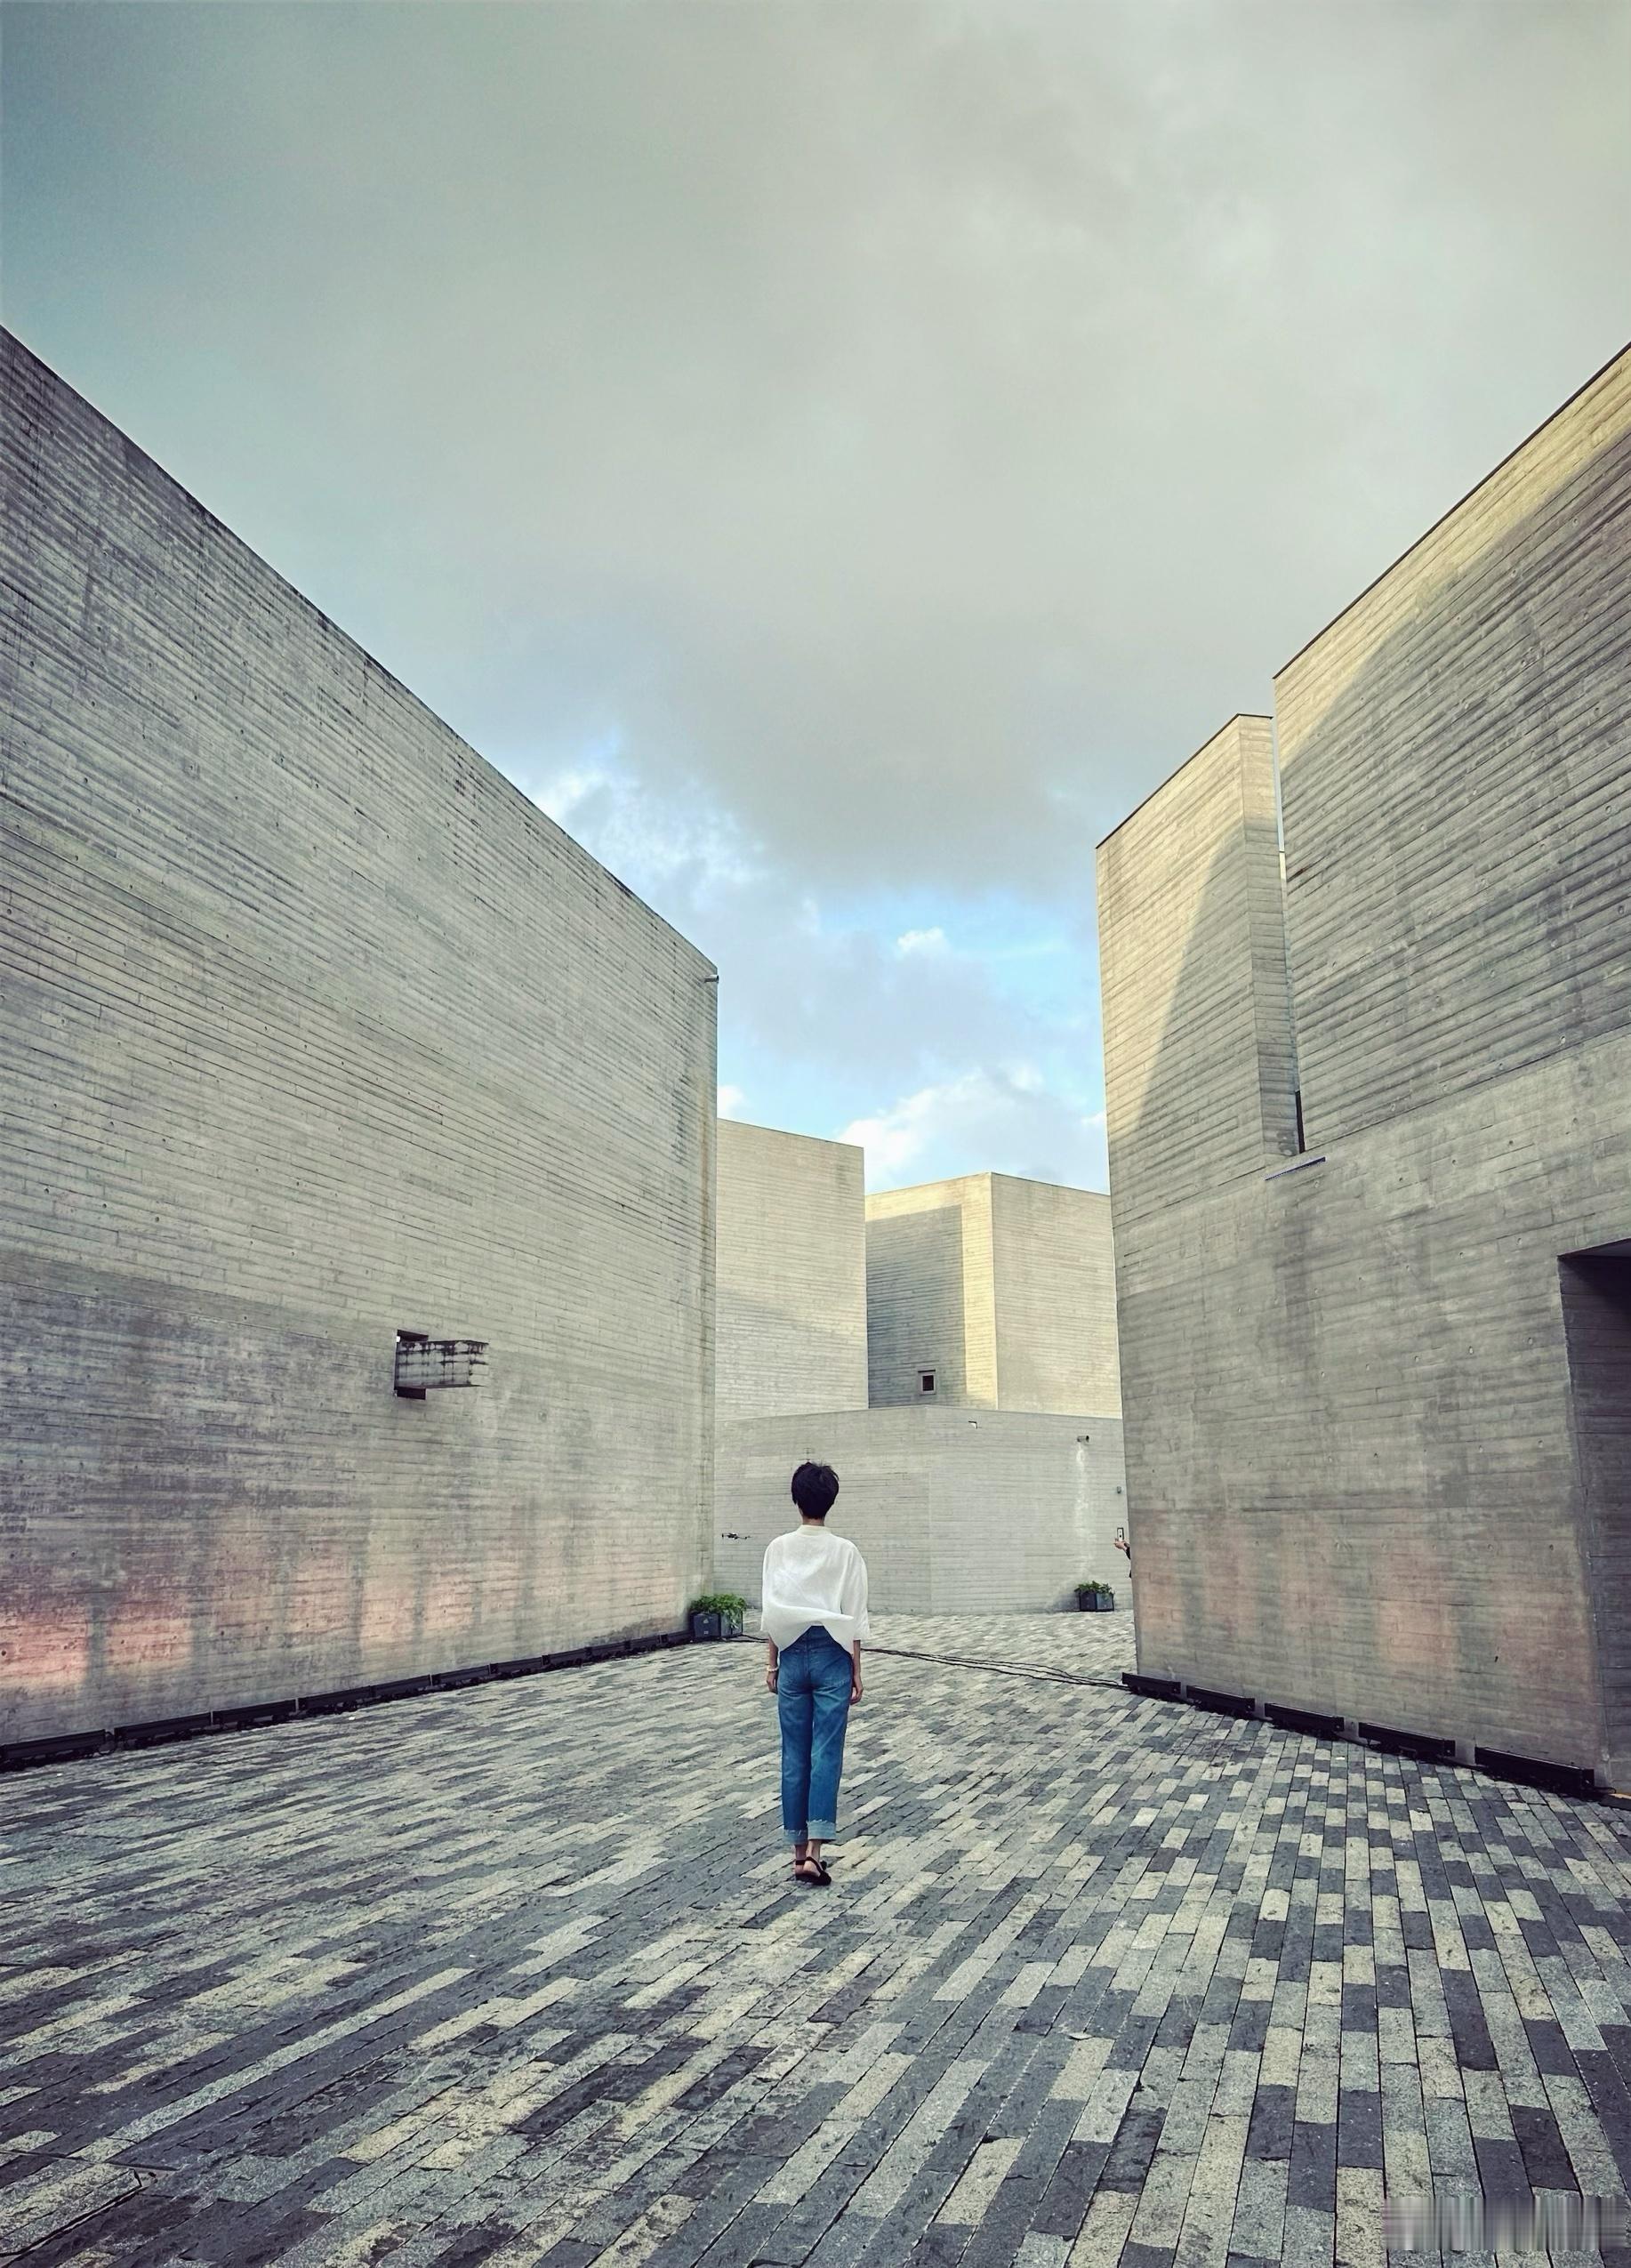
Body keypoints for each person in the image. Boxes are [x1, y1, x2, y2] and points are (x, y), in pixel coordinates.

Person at [760, 1460, 869, 1887]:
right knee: (826, 1751)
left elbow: (772, 1611)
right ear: (831, 1501)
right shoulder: (846, 1552)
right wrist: (857, 1669)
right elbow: (855, 1616)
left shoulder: (777, 1548)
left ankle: (796, 1852)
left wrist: (772, 1663)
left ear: (796, 1499)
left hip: (790, 1653)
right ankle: (817, 1854)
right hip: (832, 1652)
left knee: (793, 1753)